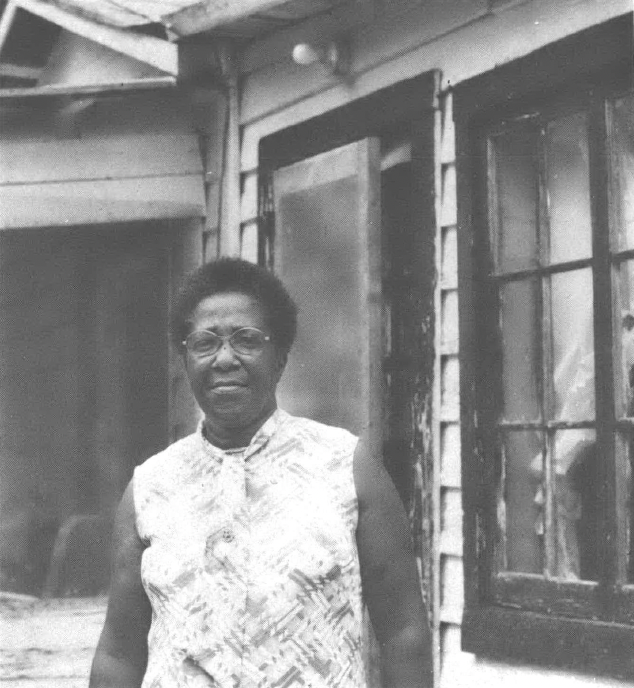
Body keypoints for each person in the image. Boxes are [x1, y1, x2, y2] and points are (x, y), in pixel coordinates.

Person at [90, 257, 431, 688]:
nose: (225, 359)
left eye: (246, 340)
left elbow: (404, 633)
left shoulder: (346, 467)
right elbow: (119, 653)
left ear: (280, 357)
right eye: (205, 343)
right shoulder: (151, 486)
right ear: (186, 358)